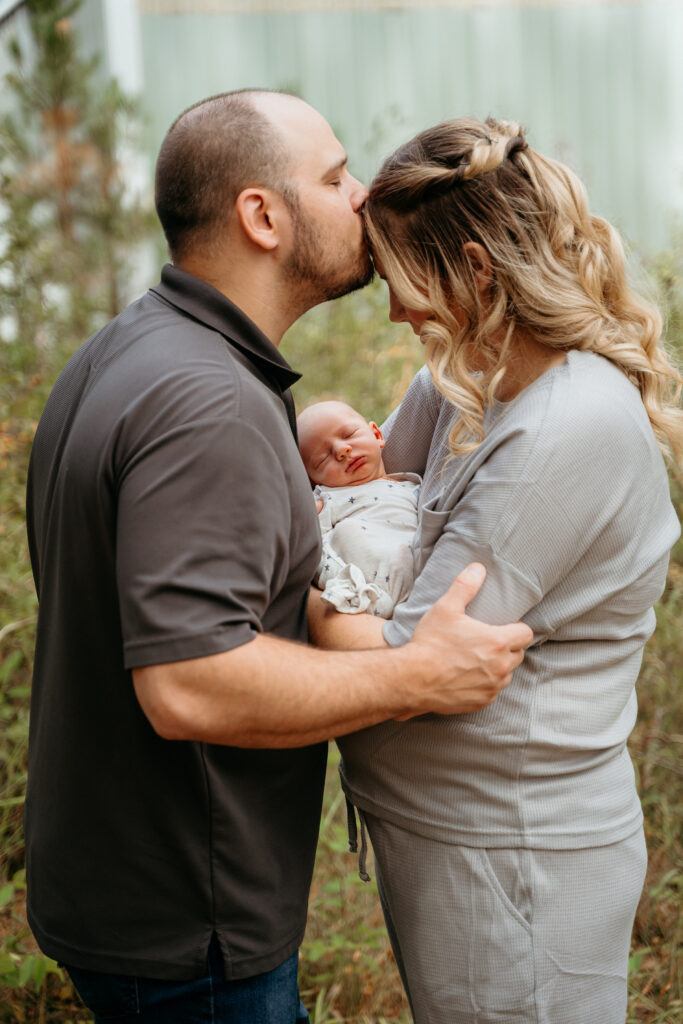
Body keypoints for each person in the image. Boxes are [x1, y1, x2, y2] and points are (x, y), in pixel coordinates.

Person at [24, 92, 533, 1024]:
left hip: (125, 893)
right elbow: (188, 683)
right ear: (261, 217)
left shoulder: (132, 348)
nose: (364, 194)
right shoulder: (206, 401)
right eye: (336, 177)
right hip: (189, 928)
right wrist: (419, 672)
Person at [308, 116, 683, 1024]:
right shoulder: (459, 379)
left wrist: (317, 615)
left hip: (516, 863)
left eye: (399, 279)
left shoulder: (567, 425)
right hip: (453, 844)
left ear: (476, 270)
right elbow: (357, 509)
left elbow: (402, 661)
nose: (393, 309)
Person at [298, 400, 420, 617]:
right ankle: (355, 596)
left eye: (349, 434)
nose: (342, 450)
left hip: (416, 587)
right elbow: (305, 541)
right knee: (343, 534)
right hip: (361, 589)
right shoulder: (327, 499)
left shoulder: (413, 486)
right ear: (313, 481)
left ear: (376, 434)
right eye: (322, 459)